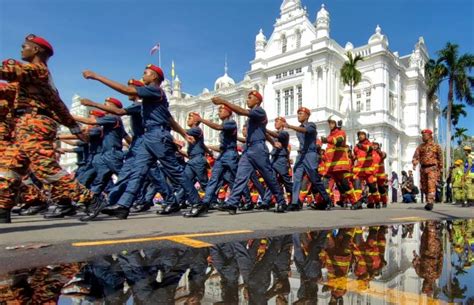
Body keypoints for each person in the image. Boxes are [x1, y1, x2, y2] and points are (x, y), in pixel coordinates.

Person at [82, 64, 203, 219]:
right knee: (138, 172)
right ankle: (124, 205)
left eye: (145, 73)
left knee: (174, 171)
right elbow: (168, 117)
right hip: (149, 136)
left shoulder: (155, 90)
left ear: (154, 77)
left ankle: (197, 202)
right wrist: (184, 133)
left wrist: (97, 76)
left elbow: (127, 92)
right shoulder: (151, 98)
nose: (142, 76)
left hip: (158, 135)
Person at [0, 34, 95, 223]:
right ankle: (2, 209)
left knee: (45, 168)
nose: (21, 49)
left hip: (34, 124)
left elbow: (9, 71)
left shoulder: (37, 70)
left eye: (24, 46)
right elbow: (58, 104)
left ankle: (90, 199)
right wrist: (74, 127)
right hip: (24, 125)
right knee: (9, 168)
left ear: (36, 50)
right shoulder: (32, 79)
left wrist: (74, 127)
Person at [212, 90, 288, 214]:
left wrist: (224, 101)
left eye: (250, 97)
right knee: (240, 177)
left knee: (269, 177)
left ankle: (281, 201)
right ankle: (232, 203)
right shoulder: (252, 118)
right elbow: (263, 130)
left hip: (258, 149)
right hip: (248, 149)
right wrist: (273, 142)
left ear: (257, 100)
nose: (247, 99)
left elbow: (242, 112)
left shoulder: (259, 111)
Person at [285, 107, 331, 211]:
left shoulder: (311, 125)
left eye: (301, 113)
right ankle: (295, 202)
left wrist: (289, 126)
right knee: (296, 179)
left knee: (315, 179)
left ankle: (327, 199)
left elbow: (305, 130)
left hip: (310, 155)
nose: (298, 115)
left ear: (307, 115)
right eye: (298, 114)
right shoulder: (298, 128)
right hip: (301, 155)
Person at [412, 129, 443, 211]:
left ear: (430, 136)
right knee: (424, 186)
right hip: (423, 169)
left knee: (431, 185)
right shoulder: (420, 147)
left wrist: (440, 169)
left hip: (432, 168)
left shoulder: (436, 146)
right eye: (422, 135)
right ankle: (428, 201)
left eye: (424, 135)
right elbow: (415, 156)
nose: (423, 137)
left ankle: (430, 202)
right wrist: (414, 163)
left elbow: (440, 158)